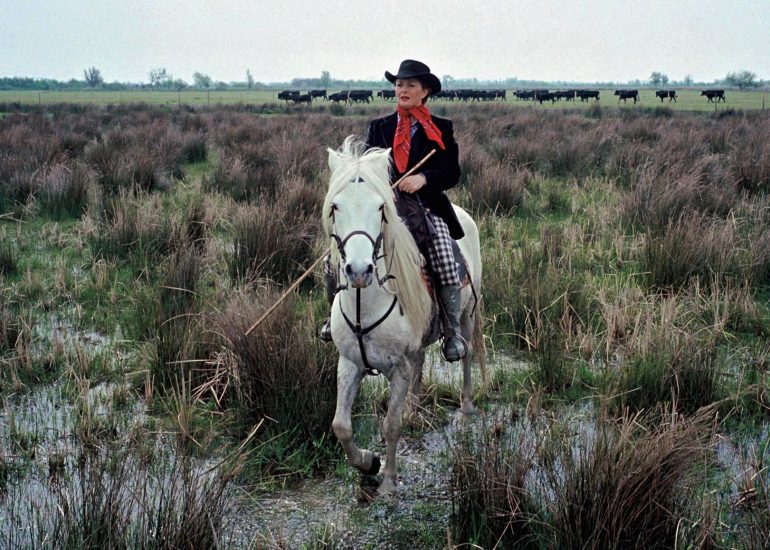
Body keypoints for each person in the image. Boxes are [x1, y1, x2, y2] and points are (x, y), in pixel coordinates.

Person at [320, 59, 467, 362]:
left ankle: (452, 331)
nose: (403, 89)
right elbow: (370, 167)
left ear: (425, 91)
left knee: (442, 250)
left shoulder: (441, 128)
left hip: (425, 205)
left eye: (410, 85)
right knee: (335, 255)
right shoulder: (380, 127)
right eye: (399, 84)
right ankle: (331, 316)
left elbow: (452, 172)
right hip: (385, 204)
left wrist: (423, 178)